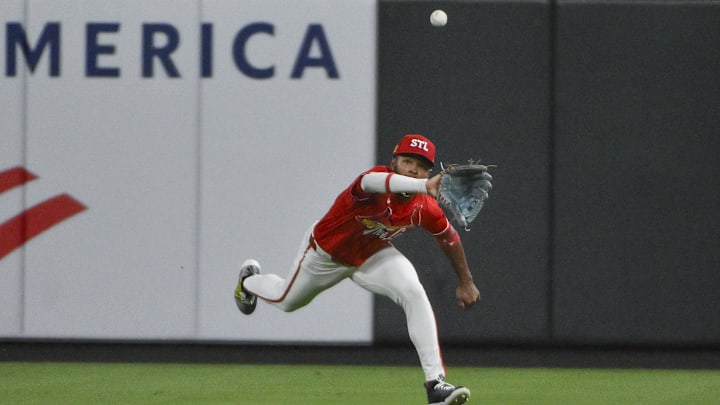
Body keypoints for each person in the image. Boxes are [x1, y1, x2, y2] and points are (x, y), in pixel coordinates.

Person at [234, 134, 484, 405]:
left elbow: (449, 238)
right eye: (407, 161)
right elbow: (371, 182)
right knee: (287, 300)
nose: (413, 169)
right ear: (393, 163)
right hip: (325, 255)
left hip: (372, 254)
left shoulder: (424, 207)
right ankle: (249, 281)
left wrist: (466, 281)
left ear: (430, 171)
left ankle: (436, 385)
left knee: (413, 291)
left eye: (421, 166)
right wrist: (423, 184)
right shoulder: (375, 181)